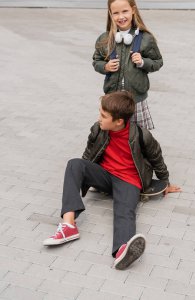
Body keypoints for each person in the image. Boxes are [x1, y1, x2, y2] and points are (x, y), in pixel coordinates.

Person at [43, 91, 181, 270]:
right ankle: (69, 225)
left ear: (119, 121)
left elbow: (156, 157)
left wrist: (165, 182)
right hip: (105, 176)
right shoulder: (98, 129)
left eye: (103, 115)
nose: (99, 118)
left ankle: (122, 250)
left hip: (129, 181)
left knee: (124, 211)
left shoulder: (141, 135)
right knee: (75, 164)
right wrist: (82, 175)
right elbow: (89, 154)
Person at [92, 0, 163, 130]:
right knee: (113, 136)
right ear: (110, 14)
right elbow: (96, 61)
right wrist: (105, 67)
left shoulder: (146, 39)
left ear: (133, 10)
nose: (121, 16)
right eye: (116, 13)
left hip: (136, 100)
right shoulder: (105, 39)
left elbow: (158, 62)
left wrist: (143, 62)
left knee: (137, 136)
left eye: (125, 11)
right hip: (112, 99)